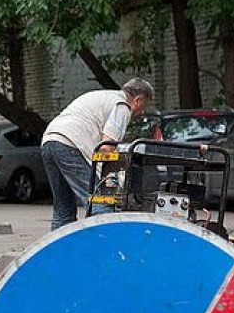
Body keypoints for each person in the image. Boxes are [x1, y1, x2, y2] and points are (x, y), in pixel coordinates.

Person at [40, 77, 154, 231]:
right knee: (99, 202)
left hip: (49, 140)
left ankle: (57, 253)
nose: (141, 112)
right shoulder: (122, 106)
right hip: (71, 144)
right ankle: (106, 248)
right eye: (144, 106)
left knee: (63, 208)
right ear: (138, 100)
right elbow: (106, 148)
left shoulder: (103, 96)